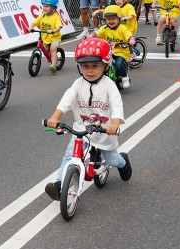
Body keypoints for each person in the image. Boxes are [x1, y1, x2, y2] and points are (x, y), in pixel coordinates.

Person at [43, 37, 132, 201]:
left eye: (95, 66)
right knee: (70, 156)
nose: (89, 71)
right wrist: (55, 117)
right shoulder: (78, 84)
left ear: (105, 65)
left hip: (105, 131)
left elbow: (117, 104)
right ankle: (60, 184)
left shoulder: (109, 84)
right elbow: (66, 100)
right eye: (85, 66)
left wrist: (115, 123)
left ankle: (124, 163)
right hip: (81, 129)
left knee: (111, 159)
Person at [93, 5, 133, 89]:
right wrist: (91, 36)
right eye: (108, 19)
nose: (111, 21)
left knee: (118, 64)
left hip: (121, 51)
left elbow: (128, 35)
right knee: (99, 62)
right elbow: (97, 33)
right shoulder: (104, 28)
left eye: (113, 19)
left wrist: (131, 39)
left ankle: (125, 77)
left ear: (119, 19)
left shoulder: (122, 28)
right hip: (107, 51)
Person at [31, 0, 63, 73]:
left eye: (47, 6)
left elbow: (59, 27)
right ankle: (50, 58)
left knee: (53, 49)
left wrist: (53, 31)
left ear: (53, 8)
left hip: (55, 37)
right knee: (46, 51)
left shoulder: (56, 16)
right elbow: (34, 22)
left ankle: (54, 65)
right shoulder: (42, 15)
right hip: (45, 38)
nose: (44, 8)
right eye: (44, 6)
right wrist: (30, 27)